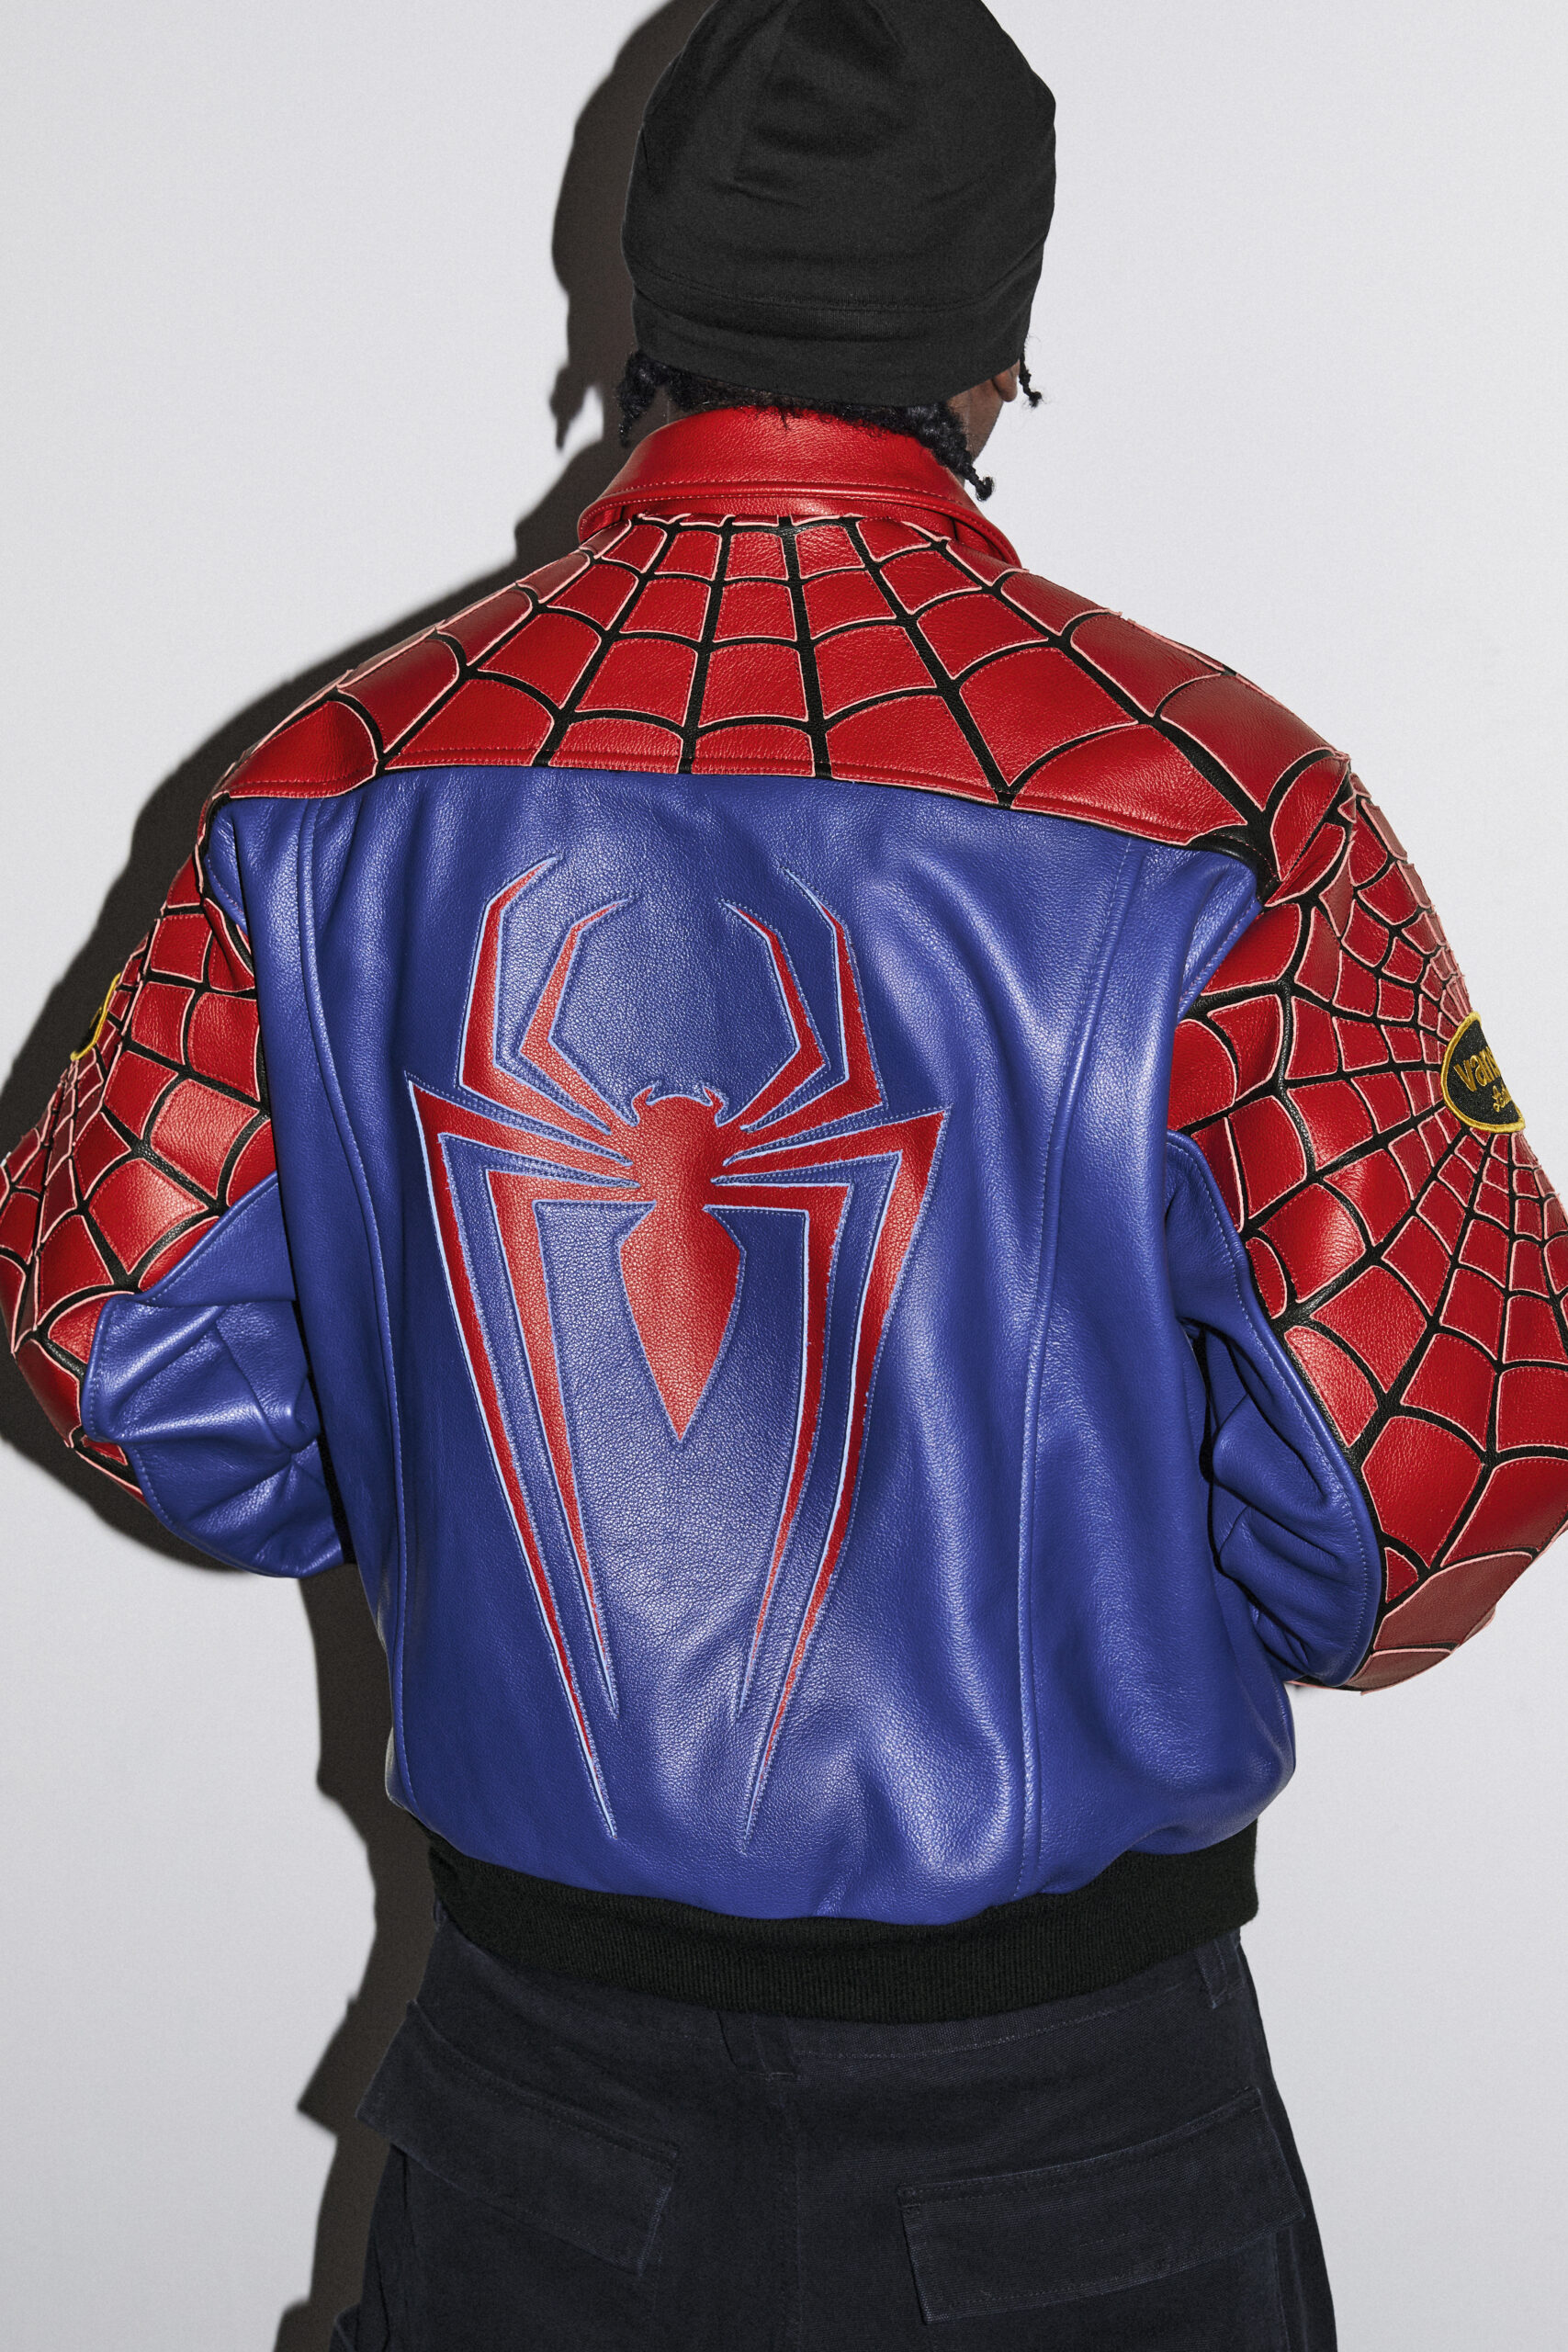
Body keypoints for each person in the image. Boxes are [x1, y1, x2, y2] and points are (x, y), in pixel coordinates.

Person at [4, 1, 1565, 2343]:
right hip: (1069, 2119)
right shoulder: (1226, 807)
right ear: (993, 355)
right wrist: (1117, 1570)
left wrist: (443, 1454)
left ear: (646, 306)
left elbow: (111, 1341)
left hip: (536, 2107)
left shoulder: (330, 788)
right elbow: (1428, 1495)